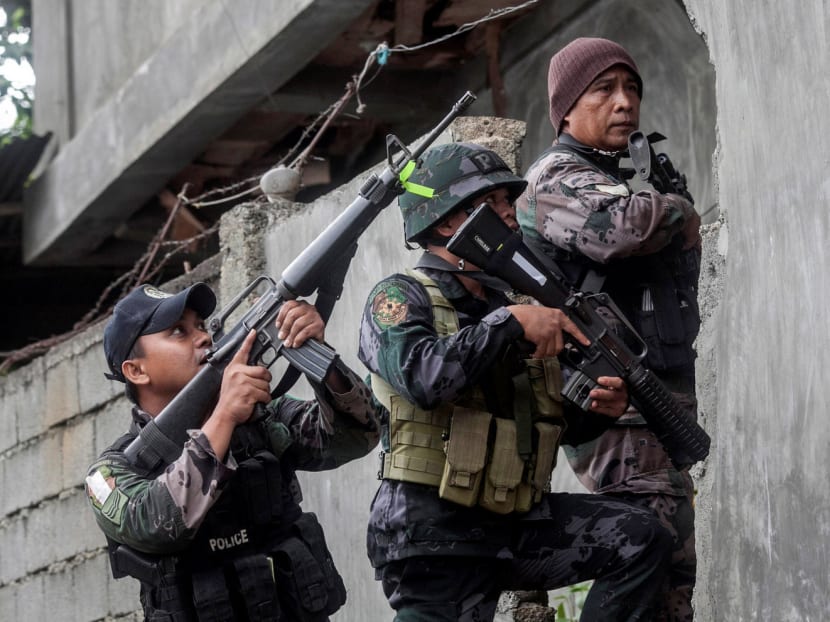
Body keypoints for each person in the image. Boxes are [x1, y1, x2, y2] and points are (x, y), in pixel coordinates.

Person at [358, 140, 673, 621]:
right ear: (447, 221)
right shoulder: (400, 296)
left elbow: (536, 424)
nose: (510, 214)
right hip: (431, 533)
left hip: (508, 523)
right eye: (493, 204)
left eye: (509, 202)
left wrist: (590, 411)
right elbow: (423, 379)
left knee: (639, 538)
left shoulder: (506, 306)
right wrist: (509, 323)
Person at [515, 37, 703, 621]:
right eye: (605, 90)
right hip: (612, 400)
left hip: (665, 391)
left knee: (674, 576)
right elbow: (621, 227)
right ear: (567, 108)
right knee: (644, 545)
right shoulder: (555, 176)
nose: (625, 103)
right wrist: (683, 212)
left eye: (633, 89)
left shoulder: (635, 171)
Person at [84, 281, 380, 621]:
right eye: (178, 331)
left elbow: (358, 436)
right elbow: (157, 523)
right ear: (136, 370)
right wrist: (223, 415)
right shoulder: (110, 474)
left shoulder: (262, 420)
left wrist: (322, 361)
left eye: (200, 325)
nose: (203, 337)